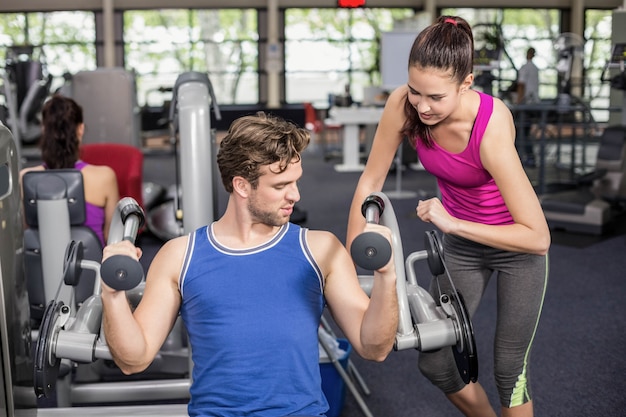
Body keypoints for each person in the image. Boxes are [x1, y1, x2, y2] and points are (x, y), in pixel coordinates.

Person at [100, 112, 398, 416]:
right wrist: (111, 295)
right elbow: (133, 360)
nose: (295, 195)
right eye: (281, 185)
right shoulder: (179, 256)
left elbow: (373, 347)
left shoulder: (320, 249)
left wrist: (386, 275)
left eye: (296, 181)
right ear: (242, 186)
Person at [346, 16, 550, 417]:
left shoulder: (489, 128)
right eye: (415, 91)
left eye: (436, 97)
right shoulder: (404, 105)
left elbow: (538, 237)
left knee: (510, 370)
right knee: (436, 358)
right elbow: (370, 177)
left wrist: (453, 223)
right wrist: (356, 259)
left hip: (516, 250)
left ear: (467, 83)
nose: (421, 105)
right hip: (461, 248)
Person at [19, 94, 119, 245]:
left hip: (40, 268)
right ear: (81, 129)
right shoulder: (104, 177)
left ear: (44, 130)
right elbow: (112, 239)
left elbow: (26, 235)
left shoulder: (27, 178)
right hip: (92, 267)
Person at [516, 47, 540, 167]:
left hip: (525, 104)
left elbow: (521, 85)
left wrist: (518, 102)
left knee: (521, 132)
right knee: (526, 132)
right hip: (533, 103)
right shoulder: (535, 69)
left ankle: (523, 159)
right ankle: (529, 158)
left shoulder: (525, 68)